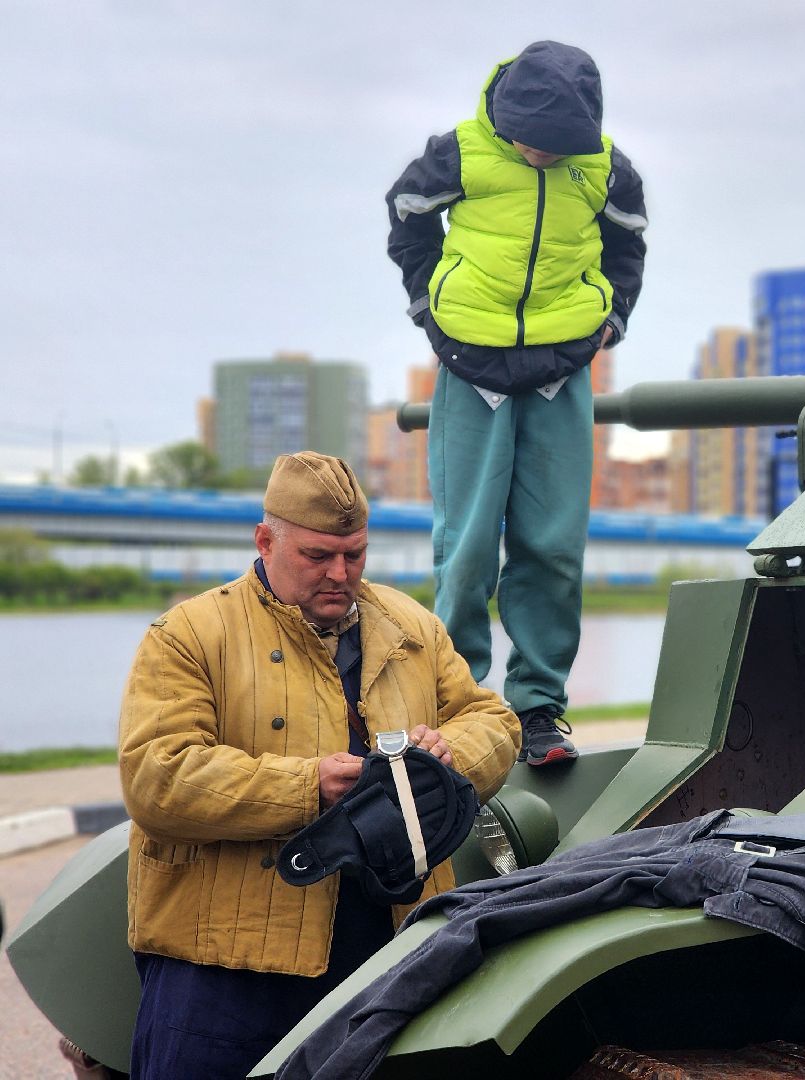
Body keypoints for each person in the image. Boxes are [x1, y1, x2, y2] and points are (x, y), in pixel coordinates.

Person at [118, 452, 520, 1080]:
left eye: (354, 555)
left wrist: (447, 759)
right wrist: (311, 787)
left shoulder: (414, 627)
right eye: (316, 556)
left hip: (389, 950)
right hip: (224, 969)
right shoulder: (188, 634)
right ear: (265, 541)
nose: (340, 573)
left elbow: (493, 721)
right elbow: (158, 778)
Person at [385, 40, 647, 766]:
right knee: (466, 549)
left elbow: (629, 248)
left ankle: (538, 708)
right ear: (506, 121)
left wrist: (610, 319)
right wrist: (427, 305)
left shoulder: (606, 169)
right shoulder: (458, 153)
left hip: (564, 366)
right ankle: (458, 701)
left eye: (555, 149)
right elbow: (407, 216)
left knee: (552, 548)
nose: (539, 157)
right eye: (530, 145)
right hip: (471, 363)